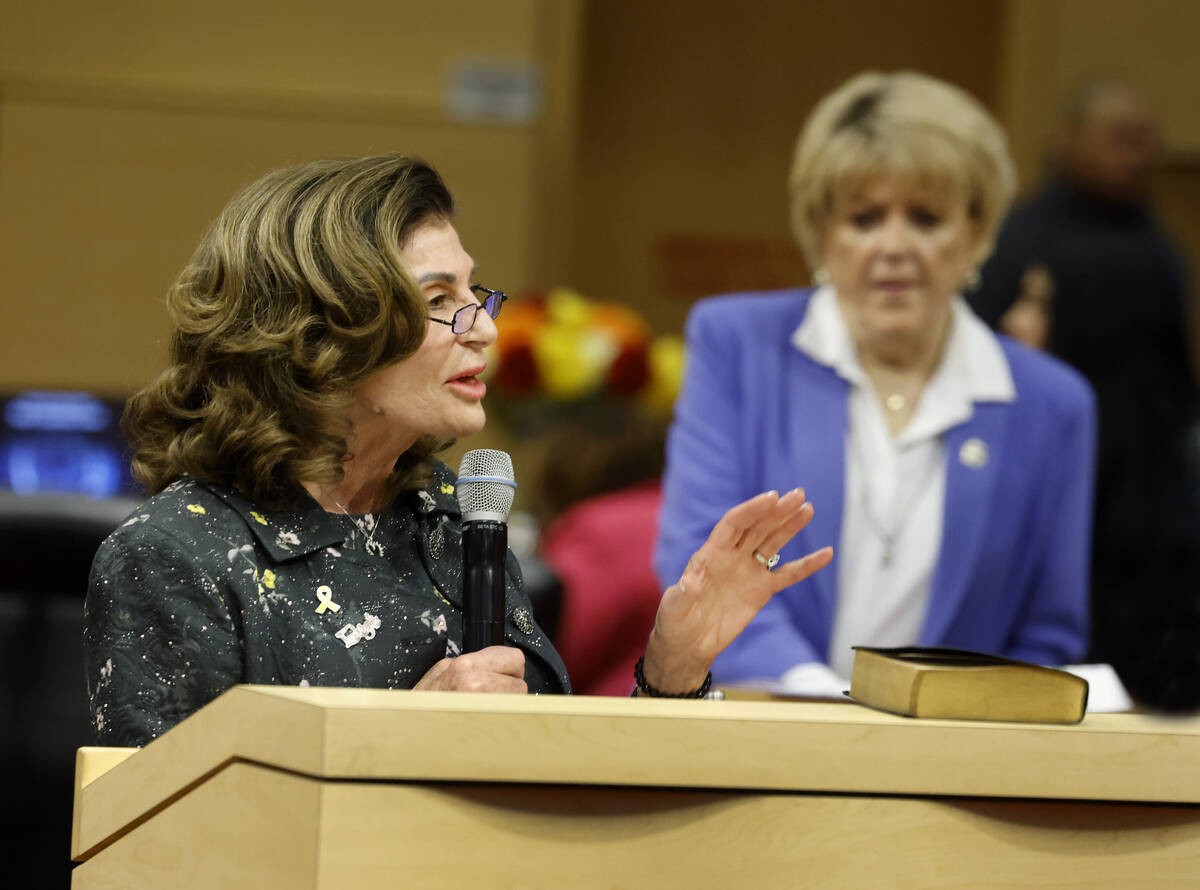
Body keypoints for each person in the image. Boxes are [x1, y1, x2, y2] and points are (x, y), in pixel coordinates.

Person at [85, 155, 833, 746]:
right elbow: (165, 847)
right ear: (322, 329)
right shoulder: (176, 556)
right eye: (439, 300)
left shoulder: (454, 517)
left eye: (475, 294)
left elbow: (551, 794)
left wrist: (674, 664)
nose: (484, 329)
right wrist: (400, 735)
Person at [655, 71, 1097, 690]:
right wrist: (826, 713)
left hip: (955, 762)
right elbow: (697, 561)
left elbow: (1048, 631)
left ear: (975, 232)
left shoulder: (1054, 403)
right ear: (822, 233)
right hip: (764, 726)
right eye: (864, 219)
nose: (894, 246)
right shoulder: (735, 343)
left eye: (925, 218)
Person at [970, 80, 1200, 709]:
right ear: (1068, 142)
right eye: (1119, 139)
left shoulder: (1160, 243)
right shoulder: (1018, 240)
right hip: (1052, 490)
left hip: (1148, 506)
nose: (1138, 155)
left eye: (1145, 141)